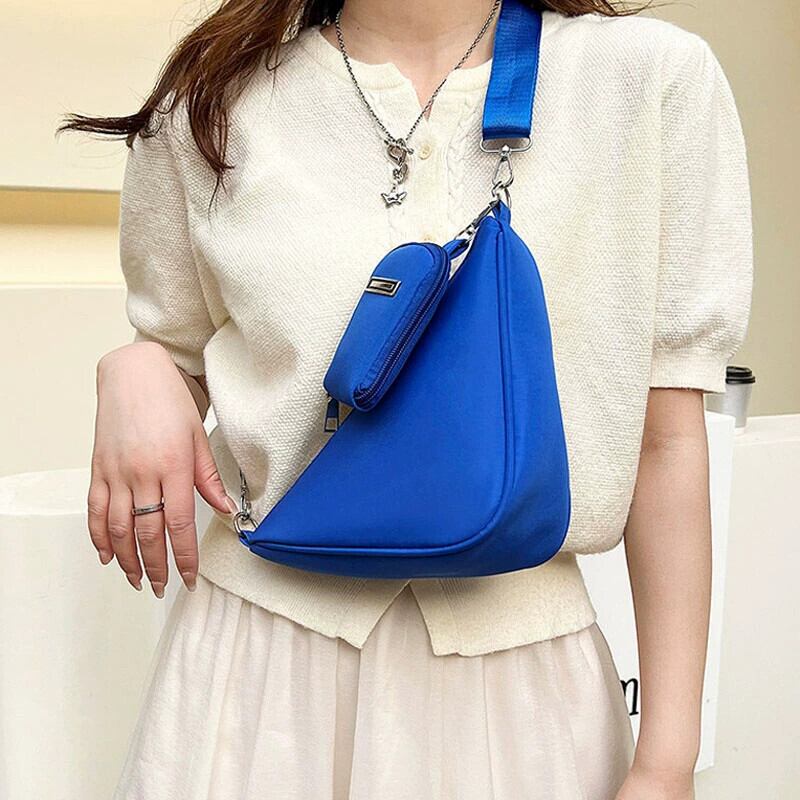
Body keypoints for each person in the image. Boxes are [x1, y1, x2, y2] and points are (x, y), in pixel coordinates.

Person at [60, 0, 753, 797]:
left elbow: (665, 441)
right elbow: (177, 348)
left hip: (520, 696)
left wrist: (666, 762)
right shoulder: (213, 102)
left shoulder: (648, 80)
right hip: (254, 682)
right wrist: (137, 367)